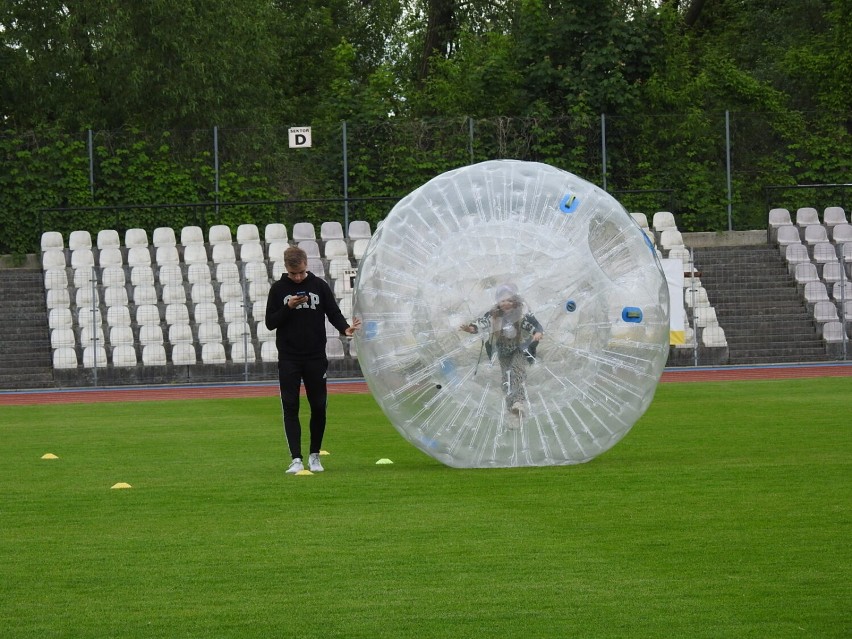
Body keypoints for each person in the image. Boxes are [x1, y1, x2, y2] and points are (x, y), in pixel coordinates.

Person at [266, 246, 361, 474]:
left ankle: (315, 455)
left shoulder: (319, 286)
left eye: (300, 273)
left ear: (306, 265)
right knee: (291, 406)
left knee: (319, 406)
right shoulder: (278, 289)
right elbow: (270, 322)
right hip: (289, 357)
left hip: (316, 356)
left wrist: (345, 329)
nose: (297, 277)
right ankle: (296, 458)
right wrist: (288, 307)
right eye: (293, 274)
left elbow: (333, 312)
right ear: (286, 268)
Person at [460, 283, 543, 425]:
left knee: (517, 371)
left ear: (515, 301)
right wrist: (471, 328)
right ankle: (512, 410)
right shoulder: (493, 316)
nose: (506, 303)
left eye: (509, 300)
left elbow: (531, 325)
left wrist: (537, 333)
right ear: (498, 301)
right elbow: (482, 323)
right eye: (503, 300)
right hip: (503, 352)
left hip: (518, 349)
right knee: (506, 378)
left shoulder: (521, 315)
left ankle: (518, 402)